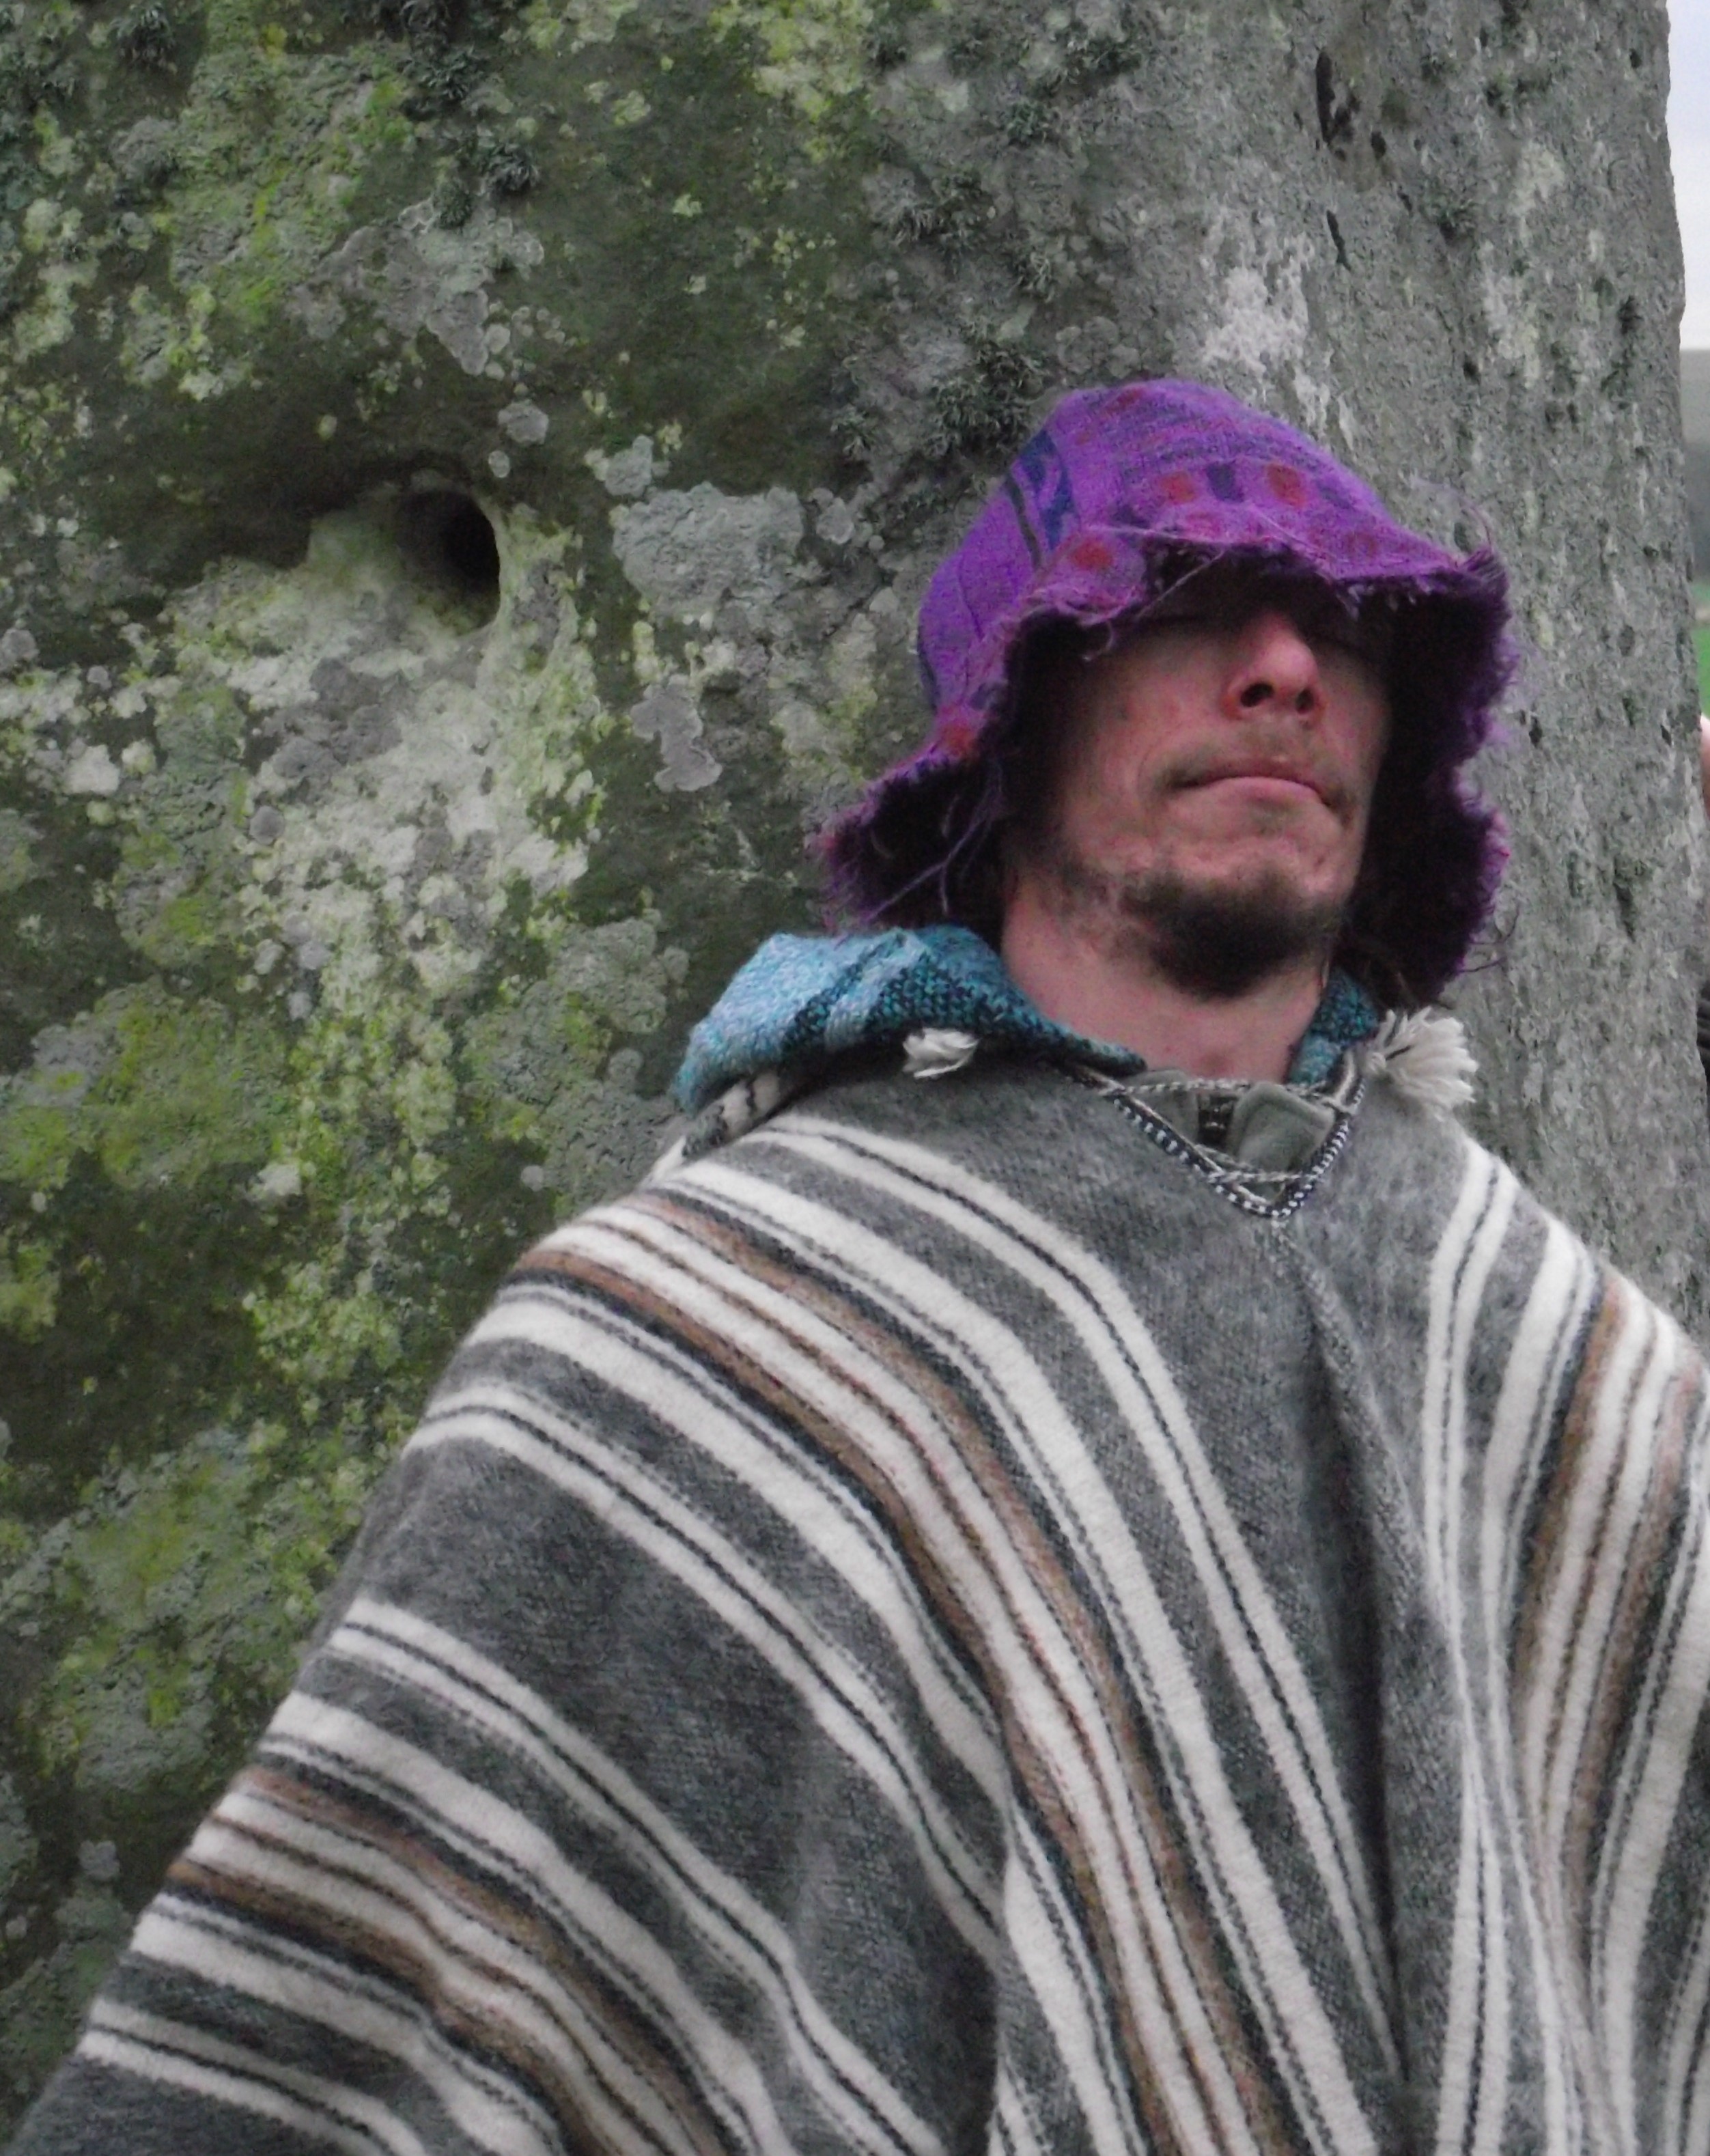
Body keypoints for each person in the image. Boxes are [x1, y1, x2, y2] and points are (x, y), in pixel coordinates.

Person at [14, 379, 1710, 2156]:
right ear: (1012, 722)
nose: (1285, 670)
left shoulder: (1543, 1336)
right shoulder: (687, 1336)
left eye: (1345, 630)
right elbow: (349, 2025)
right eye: (1187, 606)